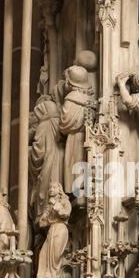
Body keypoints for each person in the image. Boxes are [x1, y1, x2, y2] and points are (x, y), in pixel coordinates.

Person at [59, 65, 95, 194]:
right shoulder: (90, 101)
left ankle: (75, 188)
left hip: (74, 137)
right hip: (88, 137)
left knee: (73, 161)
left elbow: (64, 124)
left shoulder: (70, 100)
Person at [29, 96, 65, 222]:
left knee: (46, 188)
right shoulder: (58, 122)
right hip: (61, 159)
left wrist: (29, 152)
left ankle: (45, 214)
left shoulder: (43, 125)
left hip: (48, 161)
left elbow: (38, 154)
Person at [37, 182, 71, 278]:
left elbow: (65, 214)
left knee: (56, 254)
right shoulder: (49, 205)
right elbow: (42, 223)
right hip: (52, 229)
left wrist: (55, 205)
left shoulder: (65, 201)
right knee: (44, 253)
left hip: (61, 228)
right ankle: (45, 275)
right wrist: (45, 218)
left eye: (54, 187)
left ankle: (54, 275)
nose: (51, 189)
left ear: (59, 189)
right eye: (50, 187)